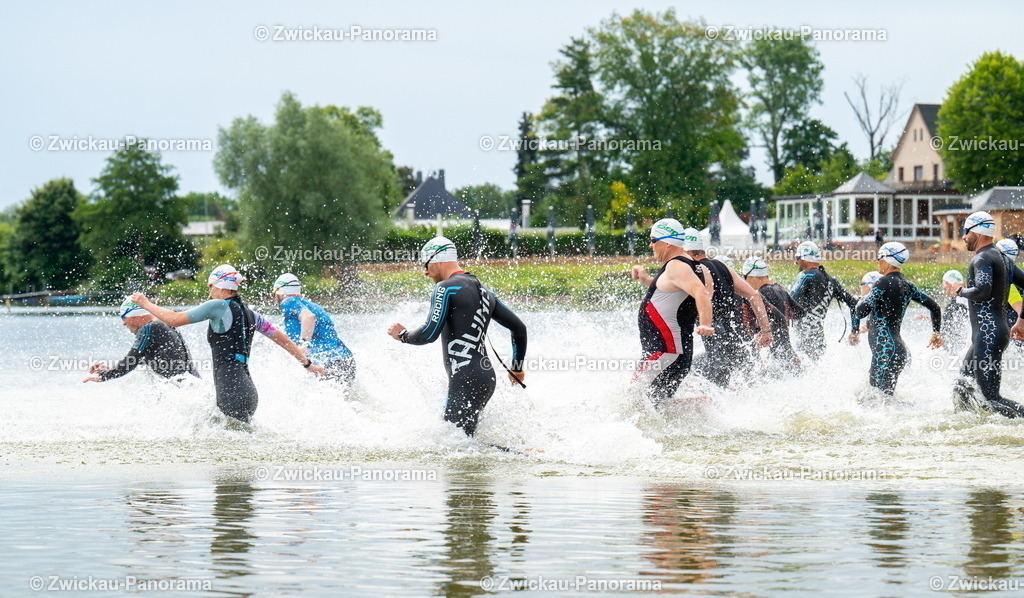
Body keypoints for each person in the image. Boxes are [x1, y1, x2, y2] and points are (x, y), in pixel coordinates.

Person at [130, 264, 325, 423]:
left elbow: (174, 319)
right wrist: (307, 364)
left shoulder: (218, 306)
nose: (209, 290)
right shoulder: (251, 314)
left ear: (221, 286)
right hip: (249, 392)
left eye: (211, 285)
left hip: (231, 391)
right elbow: (283, 340)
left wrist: (146, 304)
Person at [387, 237, 528, 436]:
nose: (425, 272)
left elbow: (429, 333)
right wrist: (517, 369)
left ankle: (523, 455)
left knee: (455, 443)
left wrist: (403, 335)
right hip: (484, 378)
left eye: (425, 265)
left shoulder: (446, 288)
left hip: (466, 377)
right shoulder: (485, 291)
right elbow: (519, 329)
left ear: (437, 259)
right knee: (460, 443)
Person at [629, 220, 715, 404]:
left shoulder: (677, 265)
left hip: (664, 351)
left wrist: (706, 323)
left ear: (667, 242)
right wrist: (645, 278)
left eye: (653, 239)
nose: (650, 244)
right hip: (676, 352)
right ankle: (704, 407)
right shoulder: (696, 266)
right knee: (657, 402)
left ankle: (706, 408)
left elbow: (701, 292)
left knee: (632, 396)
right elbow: (674, 291)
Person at [949, 212, 1024, 418]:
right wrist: (1021, 320)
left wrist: (959, 291)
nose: (963, 236)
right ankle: (969, 431)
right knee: (962, 387)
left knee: (991, 399)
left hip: (987, 335)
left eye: (965, 231)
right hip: (990, 334)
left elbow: (982, 291)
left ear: (977, 232)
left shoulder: (982, 258)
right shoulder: (1001, 257)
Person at [848, 242, 942, 395]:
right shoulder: (908, 285)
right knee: (884, 400)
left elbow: (860, 311)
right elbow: (935, 307)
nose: (877, 262)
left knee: (874, 400)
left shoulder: (882, 282)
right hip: (899, 351)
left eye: (879, 258)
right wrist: (936, 333)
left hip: (885, 350)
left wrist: (861, 298)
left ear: (887, 260)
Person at [688, 230, 772, 387]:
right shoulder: (722, 267)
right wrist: (766, 331)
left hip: (716, 352)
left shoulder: (692, 270)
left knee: (694, 378)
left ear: (685, 251)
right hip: (737, 345)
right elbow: (755, 296)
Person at [83, 297, 198, 383]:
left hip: (181, 389)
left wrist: (102, 377)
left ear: (135, 316)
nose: (123, 323)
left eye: (124, 318)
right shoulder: (162, 324)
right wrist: (110, 369)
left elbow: (130, 361)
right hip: (190, 386)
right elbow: (141, 360)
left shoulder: (148, 328)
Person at [273, 273, 356, 385]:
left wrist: (303, 344)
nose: (274, 298)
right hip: (346, 361)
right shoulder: (313, 305)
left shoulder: (287, 302)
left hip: (327, 363)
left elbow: (308, 317)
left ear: (280, 292)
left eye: (274, 293)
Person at [790, 241, 858, 360]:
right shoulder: (831, 281)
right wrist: (854, 331)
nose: (796, 262)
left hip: (802, 340)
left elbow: (788, 301)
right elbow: (854, 305)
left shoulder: (806, 275)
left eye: (797, 258)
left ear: (804, 258)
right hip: (818, 341)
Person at [741, 256, 803, 371]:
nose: (744, 282)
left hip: (780, 357)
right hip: (790, 355)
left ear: (752, 277)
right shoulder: (779, 288)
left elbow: (778, 318)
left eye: (745, 278)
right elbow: (800, 313)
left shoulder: (763, 293)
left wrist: (764, 331)